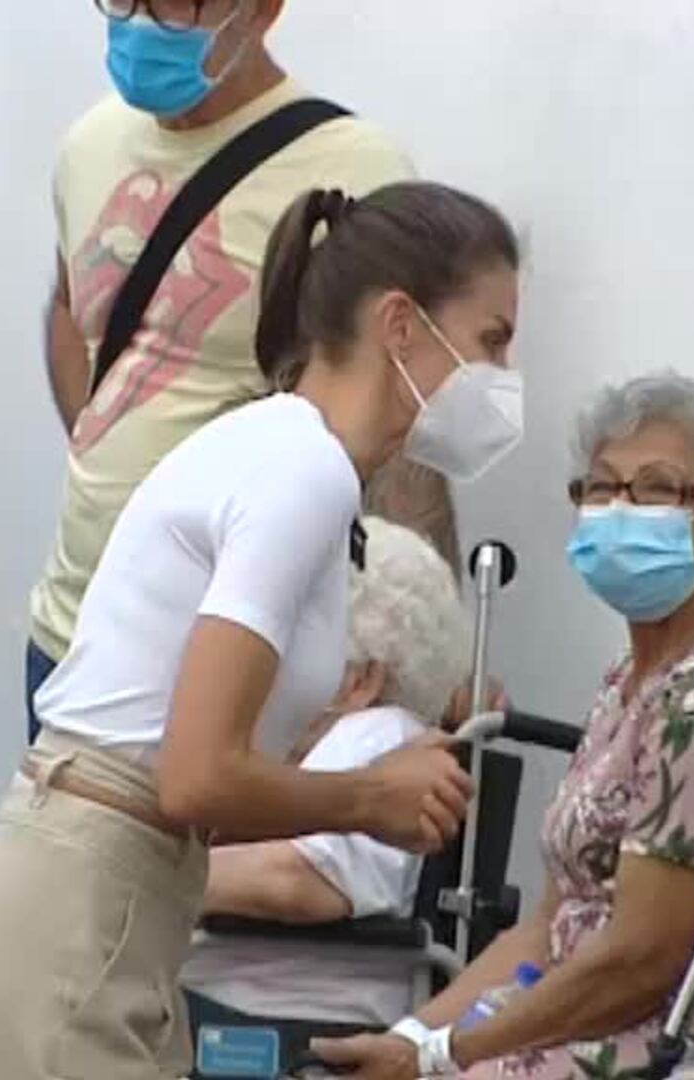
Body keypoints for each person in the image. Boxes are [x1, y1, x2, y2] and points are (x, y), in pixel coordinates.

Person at [0, 179, 522, 1079]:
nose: (504, 380)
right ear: (401, 325)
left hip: (100, 917)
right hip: (79, 933)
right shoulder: (301, 470)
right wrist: (369, 798)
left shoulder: (277, 450)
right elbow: (198, 777)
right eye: (492, 342)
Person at [316, 373, 694, 1079]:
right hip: (574, 1020)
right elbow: (553, 924)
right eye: (600, 488)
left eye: (657, 489)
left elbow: (642, 959)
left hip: (681, 1047)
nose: (616, 510)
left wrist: (442, 1058)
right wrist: (412, 1038)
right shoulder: (632, 681)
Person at [26, 0, 460, 741]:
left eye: (171, 1)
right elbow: (72, 311)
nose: (135, 20)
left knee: (228, 861)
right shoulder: (88, 145)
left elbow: (397, 407)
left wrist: (431, 650)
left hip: (231, 655)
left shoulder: (353, 168)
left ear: (261, 11)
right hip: (70, 627)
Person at [183, 515, 473, 1041]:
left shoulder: (377, 736)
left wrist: (145, 876)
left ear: (360, 681)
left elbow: (298, 881)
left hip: (269, 1016)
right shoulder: (323, 748)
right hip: (224, 1002)